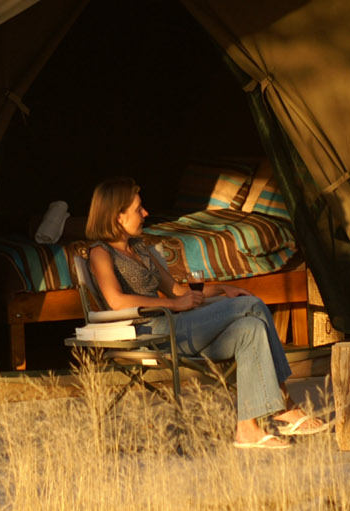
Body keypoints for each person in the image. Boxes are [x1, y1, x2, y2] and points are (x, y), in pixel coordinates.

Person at [85, 176, 328, 449]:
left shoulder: (141, 248)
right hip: (146, 332)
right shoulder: (100, 253)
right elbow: (117, 301)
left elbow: (177, 290)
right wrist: (174, 306)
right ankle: (285, 403)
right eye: (138, 208)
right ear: (118, 216)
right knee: (253, 306)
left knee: (251, 329)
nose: (145, 213)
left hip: (173, 324)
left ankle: (247, 429)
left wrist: (225, 289)